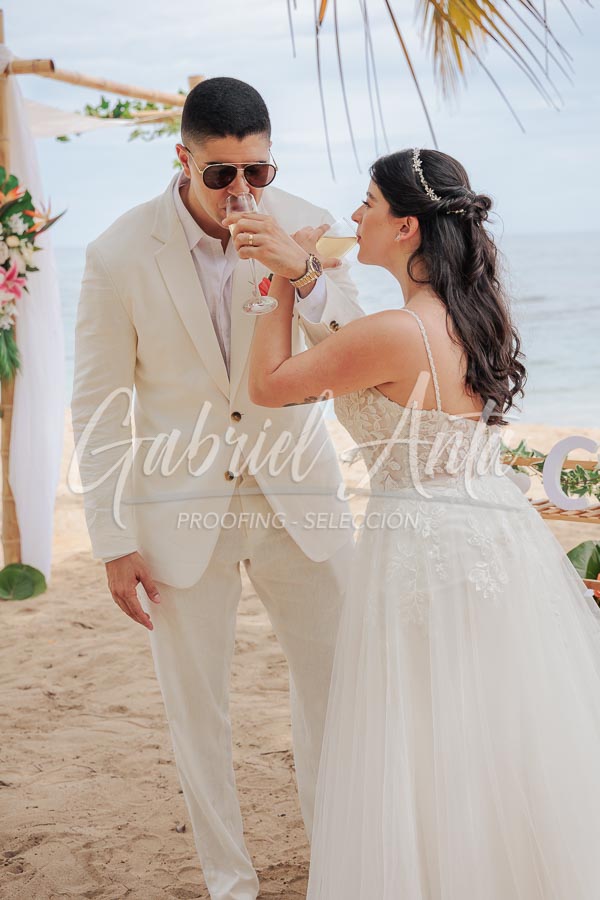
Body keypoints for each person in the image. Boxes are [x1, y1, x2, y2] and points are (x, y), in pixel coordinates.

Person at [240, 147, 600, 898]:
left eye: (369, 203)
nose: (355, 215)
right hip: (493, 526)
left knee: (423, 730)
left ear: (405, 226)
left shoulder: (396, 332)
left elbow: (269, 385)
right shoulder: (474, 313)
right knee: (496, 721)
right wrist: (307, 274)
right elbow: (353, 345)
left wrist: (278, 284)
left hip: (419, 540)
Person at [71, 77, 364, 900]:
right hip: (176, 510)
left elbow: (357, 345)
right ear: (183, 158)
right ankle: (230, 883)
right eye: (220, 173)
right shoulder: (117, 254)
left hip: (299, 498)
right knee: (197, 711)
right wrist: (111, 537)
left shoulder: (307, 225)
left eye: (257, 171)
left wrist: (302, 272)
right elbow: (98, 405)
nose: (241, 191)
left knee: (337, 691)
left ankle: (338, 866)